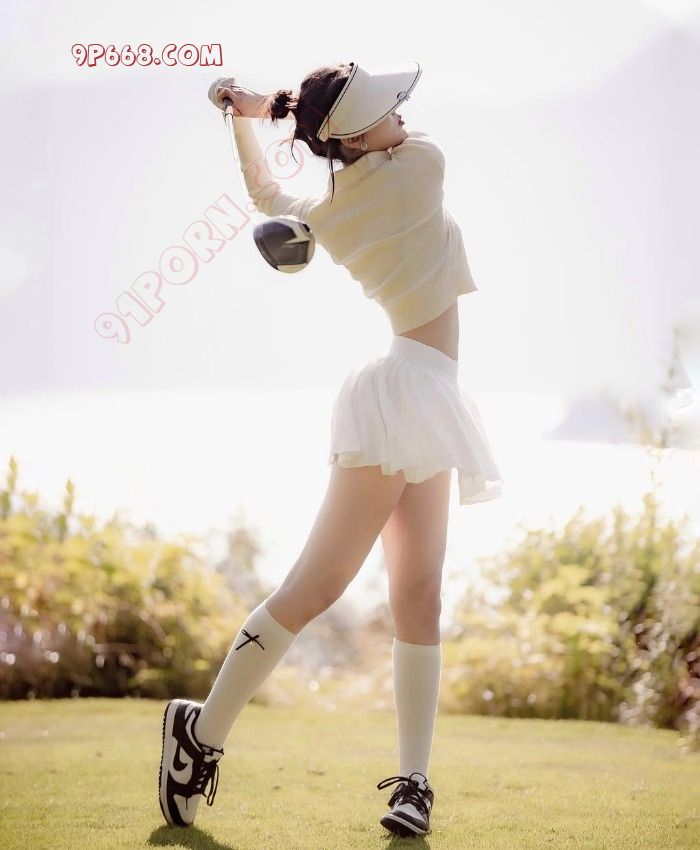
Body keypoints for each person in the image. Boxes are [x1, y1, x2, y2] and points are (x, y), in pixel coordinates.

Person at [158, 60, 504, 839]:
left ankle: (414, 784)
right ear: (351, 136)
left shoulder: (332, 212)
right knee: (315, 587)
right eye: (385, 108)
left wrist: (247, 115)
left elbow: (266, 196)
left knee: (420, 596)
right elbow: (351, 155)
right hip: (404, 396)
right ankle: (199, 736)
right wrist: (269, 108)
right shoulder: (422, 165)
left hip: (428, 396)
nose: (402, 112)